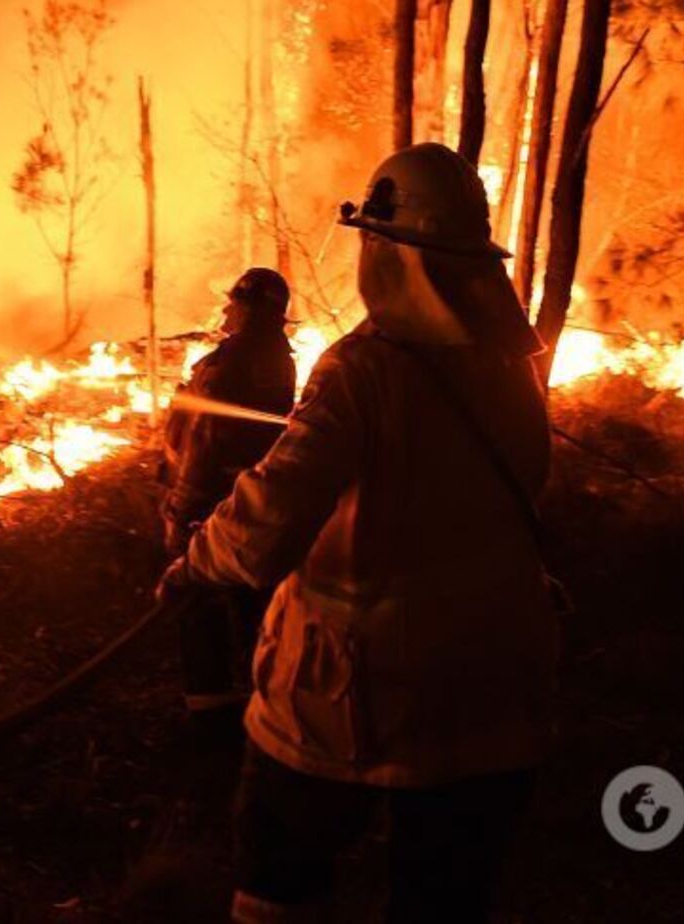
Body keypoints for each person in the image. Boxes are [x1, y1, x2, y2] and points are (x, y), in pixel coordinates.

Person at [160, 143, 564, 922]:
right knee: (445, 895)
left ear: (387, 250)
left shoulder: (361, 373)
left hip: (343, 697)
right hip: (490, 691)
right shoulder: (514, 372)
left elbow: (264, 522)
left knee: (279, 878)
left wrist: (193, 564)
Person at [161, 268, 299, 727]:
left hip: (210, 496)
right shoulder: (280, 358)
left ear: (247, 307)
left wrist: (181, 506)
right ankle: (263, 689)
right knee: (250, 594)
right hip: (254, 493)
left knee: (197, 592)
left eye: (233, 303)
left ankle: (208, 703)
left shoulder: (226, 363)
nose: (225, 311)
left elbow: (203, 439)